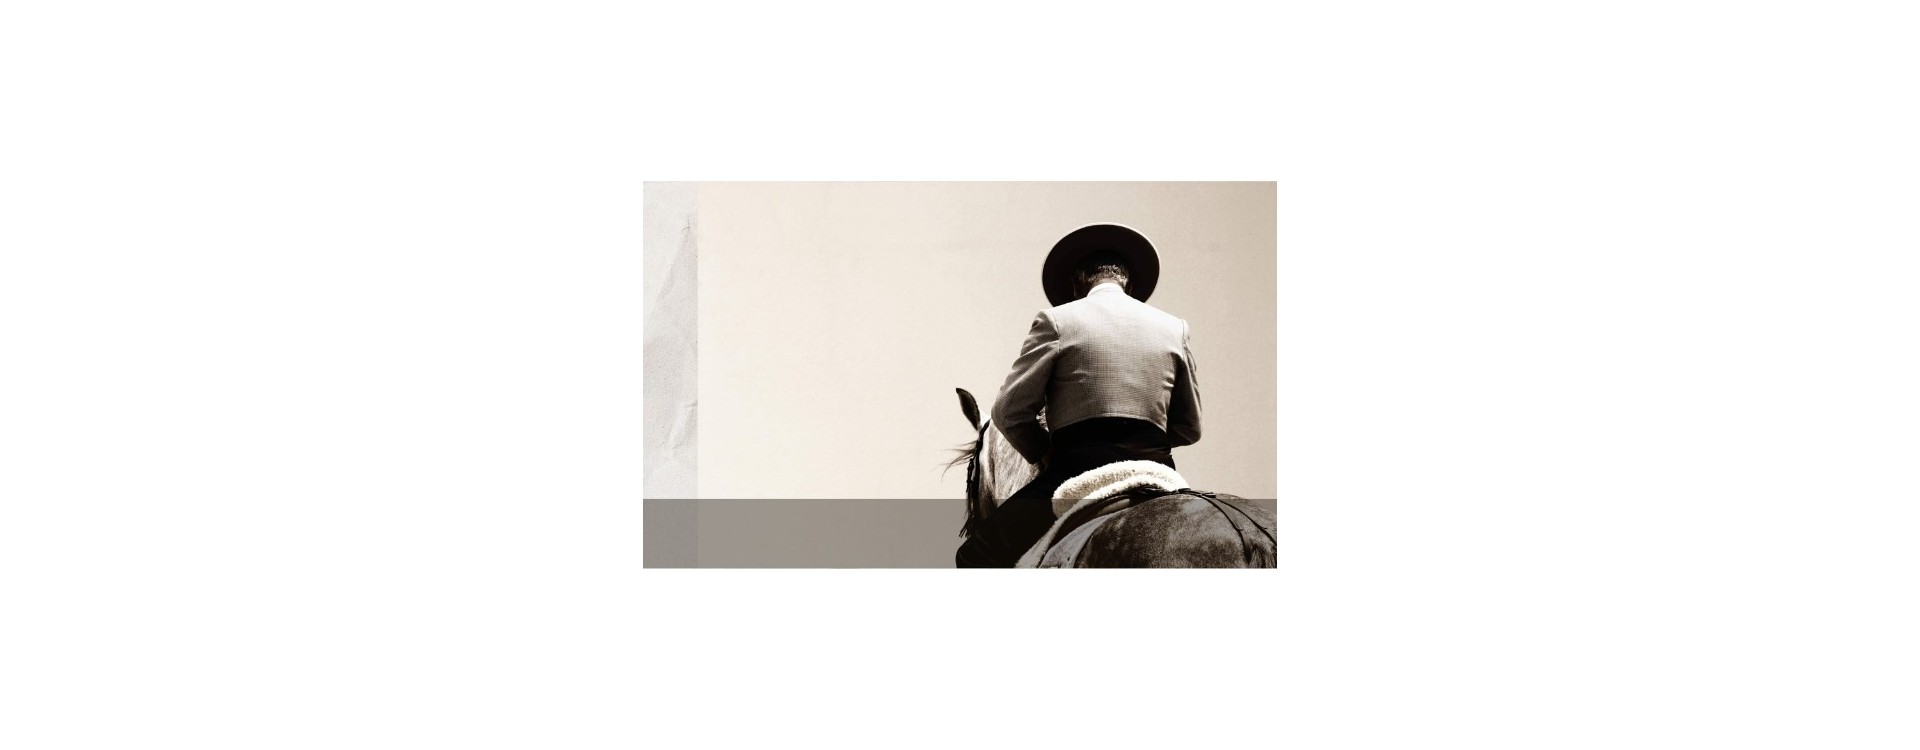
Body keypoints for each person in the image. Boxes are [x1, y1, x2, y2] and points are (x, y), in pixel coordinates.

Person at [955, 224, 1202, 568]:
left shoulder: (1057, 320)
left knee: (974, 555)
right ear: (1128, 282)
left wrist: (1046, 453)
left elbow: (1008, 412)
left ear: (1078, 283)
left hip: (1077, 469)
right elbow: (1189, 428)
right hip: (1157, 468)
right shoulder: (1174, 327)